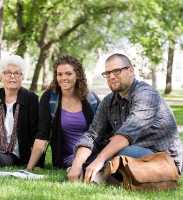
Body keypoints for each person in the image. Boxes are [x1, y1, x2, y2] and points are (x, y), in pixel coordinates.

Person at [67, 53, 183, 183]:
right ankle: (95, 171)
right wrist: (76, 164)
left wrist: (99, 160)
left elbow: (127, 133)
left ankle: (101, 174)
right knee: (86, 153)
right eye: (107, 73)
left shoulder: (147, 95)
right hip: (131, 152)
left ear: (131, 71)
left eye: (116, 71)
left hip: (163, 159)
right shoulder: (108, 102)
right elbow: (92, 135)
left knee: (123, 152)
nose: (111, 77)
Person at [26, 55, 100, 170]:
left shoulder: (91, 99)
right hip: (67, 158)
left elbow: (101, 132)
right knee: (93, 165)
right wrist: (28, 169)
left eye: (68, 74)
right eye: (59, 74)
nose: (63, 78)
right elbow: (42, 135)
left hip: (90, 153)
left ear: (78, 75)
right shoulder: (50, 98)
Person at [0, 54, 39, 167]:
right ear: (1, 76)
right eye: (8, 72)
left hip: (15, 154)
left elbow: (37, 133)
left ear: (22, 77)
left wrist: (38, 164)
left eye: (17, 73)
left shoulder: (31, 98)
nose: (12, 76)